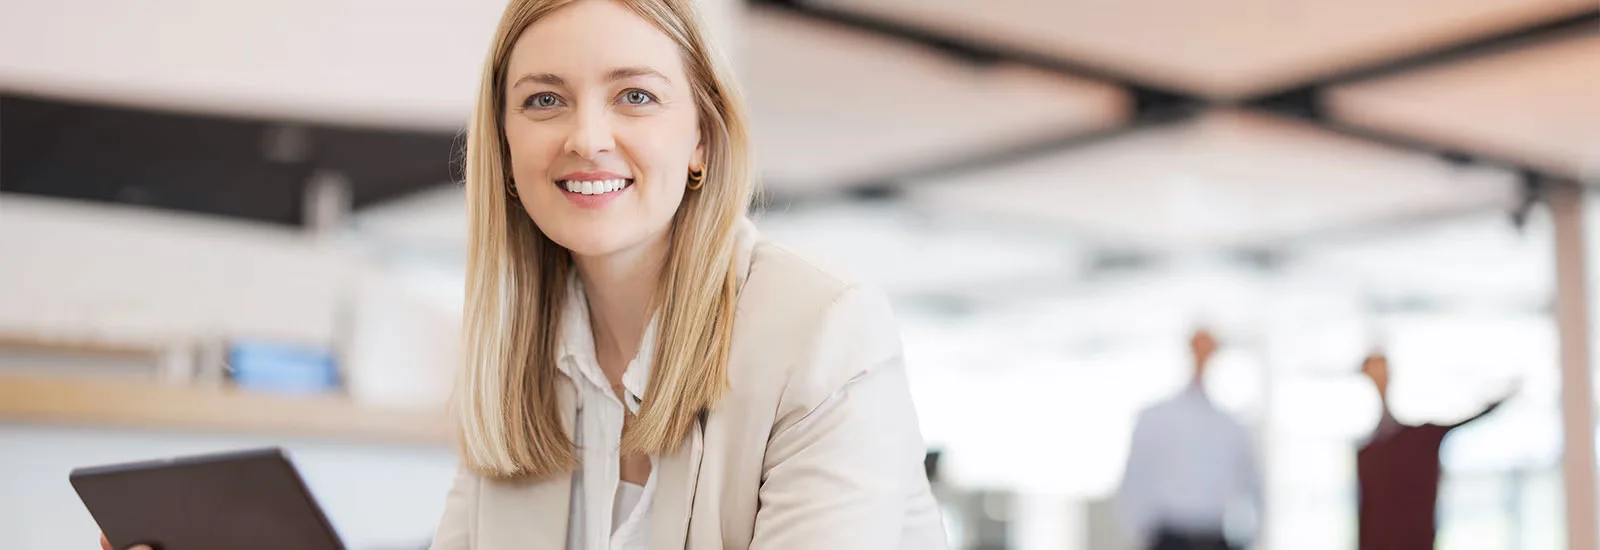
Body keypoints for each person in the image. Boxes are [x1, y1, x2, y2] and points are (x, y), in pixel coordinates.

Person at [99, 1, 944, 549]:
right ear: (504, 147)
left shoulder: (823, 332)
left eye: (635, 96)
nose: (586, 138)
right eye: (544, 100)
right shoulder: (522, 359)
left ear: (701, 139)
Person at [1117, 328, 1262, 550]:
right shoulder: (1156, 417)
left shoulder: (1231, 426)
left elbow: (1252, 485)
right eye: (1199, 347)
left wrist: (1250, 536)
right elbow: (1134, 480)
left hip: (1215, 537)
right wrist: (1142, 534)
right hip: (1168, 538)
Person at [1356, 351, 1515, 550]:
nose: (1379, 379)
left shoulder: (1419, 438)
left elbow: (1464, 418)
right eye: (1373, 371)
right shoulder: (1368, 452)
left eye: (1382, 370)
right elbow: (1367, 512)